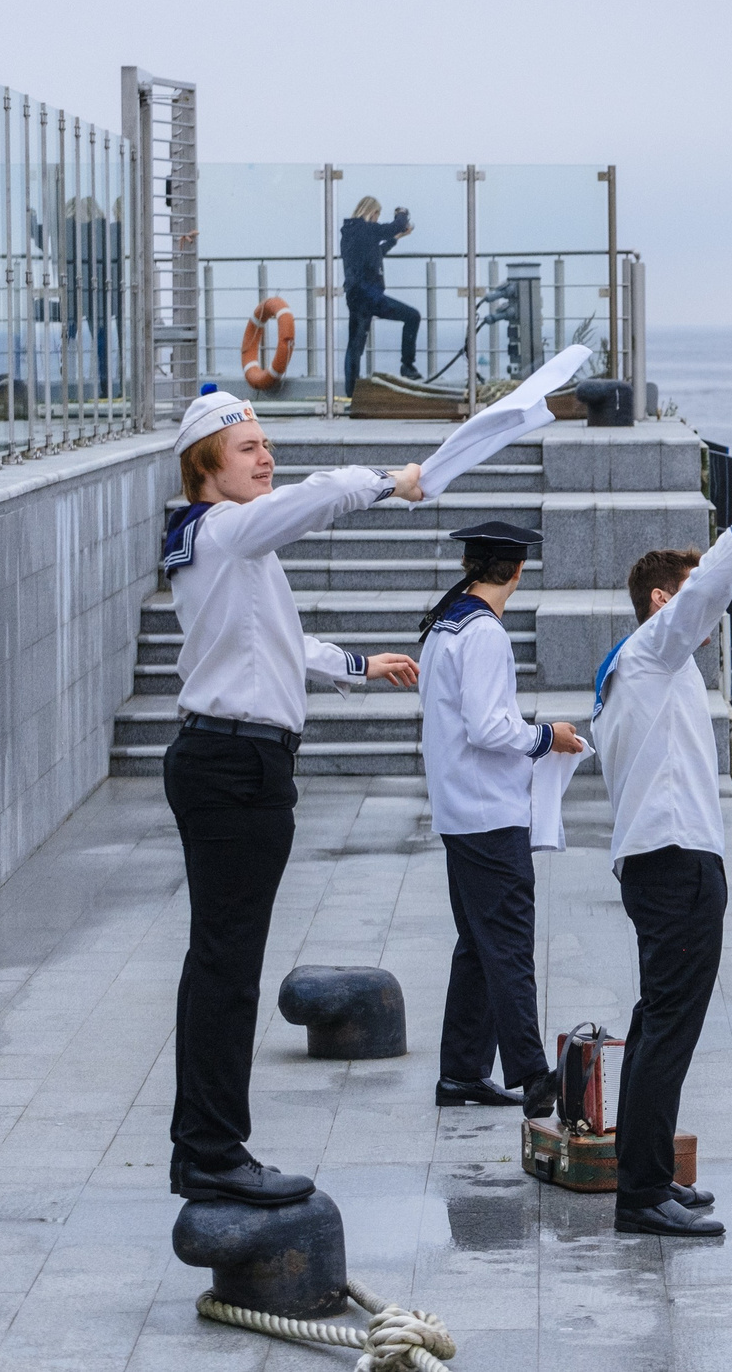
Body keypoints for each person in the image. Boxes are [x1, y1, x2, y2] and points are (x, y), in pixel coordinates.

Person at [159, 387, 423, 1206]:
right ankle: (212, 1153)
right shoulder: (229, 529)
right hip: (235, 766)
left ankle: (203, 1146)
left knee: (218, 963)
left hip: (230, 759)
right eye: (248, 448)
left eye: (266, 443)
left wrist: (356, 665)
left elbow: (273, 639)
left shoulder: (220, 542)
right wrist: (391, 481)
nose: (266, 457)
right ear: (206, 469)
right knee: (228, 969)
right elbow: (314, 499)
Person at [591, 472, 732, 1237]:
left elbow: (704, 595)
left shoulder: (649, 668)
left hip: (668, 862)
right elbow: (711, 584)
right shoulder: (651, 654)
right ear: (661, 602)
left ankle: (648, 1177)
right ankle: (643, 1193)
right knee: (668, 1030)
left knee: (659, 1024)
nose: (707, 618)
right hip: (673, 863)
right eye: (687, 601)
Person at [419, 521, 583, 1117]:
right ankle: (534, 1077)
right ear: (516, 571)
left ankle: (462, 1072)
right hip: (488, 814)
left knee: (478, 943)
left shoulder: (445, 624)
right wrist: (547, 736)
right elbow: (489, 727)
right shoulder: (484, 632)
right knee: (509, 945)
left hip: (459, 809)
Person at [341, 196, 421, 391]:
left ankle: (351, 391)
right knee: (412, 316)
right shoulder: (366, 229)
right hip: (370, 296)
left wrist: (397, 238)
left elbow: (377, 252)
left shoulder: (351, 232)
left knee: (355, 345)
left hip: (355, 295)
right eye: (377, 215)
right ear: (373, 212)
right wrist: (401, 213)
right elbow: (395, 226)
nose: (377, 219)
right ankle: (407, 366)